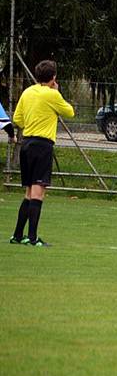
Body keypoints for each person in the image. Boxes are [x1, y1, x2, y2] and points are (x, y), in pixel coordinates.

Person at [10, 60, 75, 246]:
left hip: (26, 144)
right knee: (38, 194)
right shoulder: (52, 95)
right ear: (53, 77)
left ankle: (17, 235)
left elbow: (18, 119)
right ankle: (32, 238)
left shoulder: (27, 92)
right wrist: (56, 93)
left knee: (29, 193)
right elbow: (70, 112)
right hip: (42, 146)